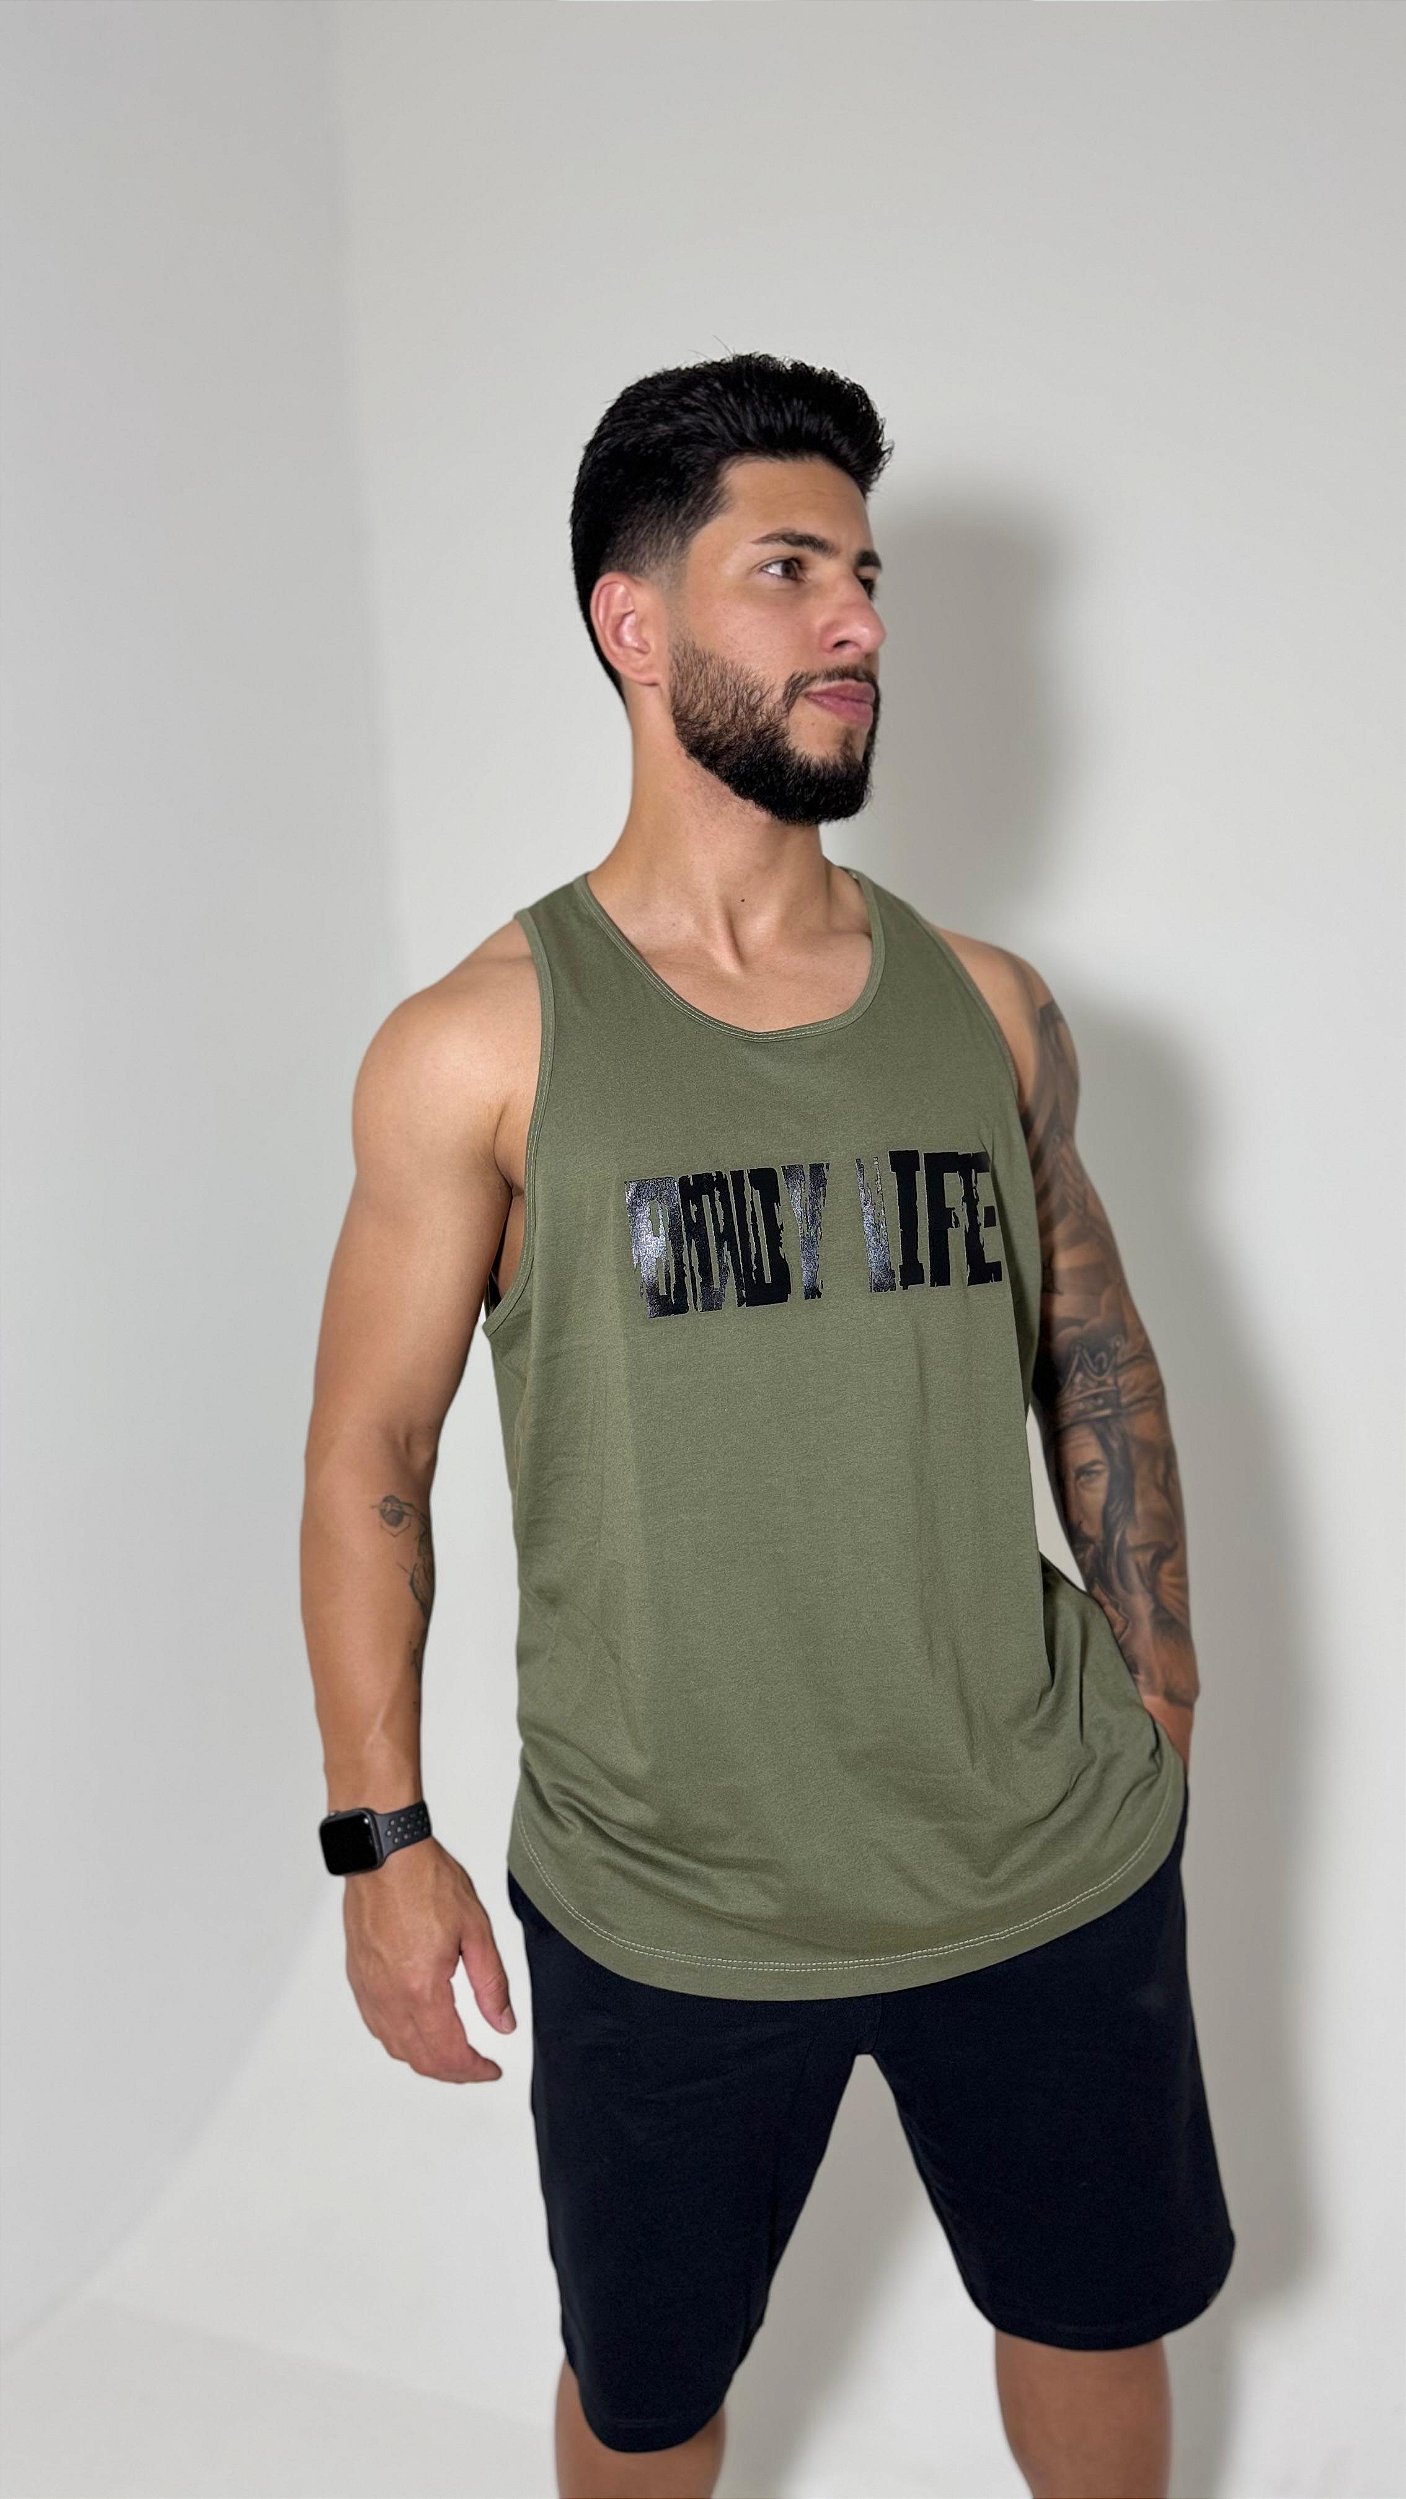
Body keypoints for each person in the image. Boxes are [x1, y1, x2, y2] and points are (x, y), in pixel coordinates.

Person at [300, 352, 1235, 2499]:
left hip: (1039, 1858)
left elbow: (1092, 1347)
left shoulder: (986, 1006)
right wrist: (378, 1837)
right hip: (666, 1899)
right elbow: (368, 1464)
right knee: (647, 2397)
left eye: (867, 577)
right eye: (790, 570)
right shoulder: (479, 1045)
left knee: (1092, 2322)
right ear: (633, 624)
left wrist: (1159, 1690)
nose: (857, 625)